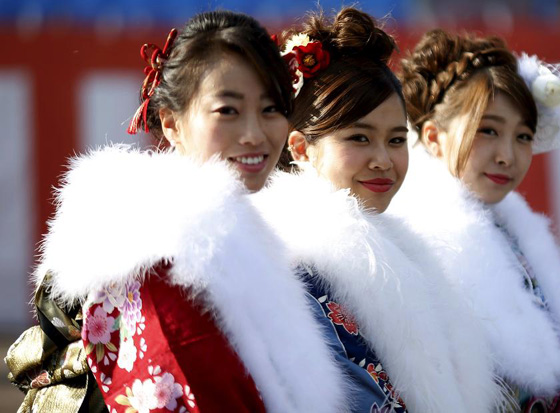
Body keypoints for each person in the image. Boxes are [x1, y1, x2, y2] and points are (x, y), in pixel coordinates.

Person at [5, 10, 347, 412]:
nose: (255, 133)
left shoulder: (247, 244)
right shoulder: (158, 259)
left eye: (271, 108)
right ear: (171, 123)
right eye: (228, 111)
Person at [252, 8, 504, 412]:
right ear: (300, 149)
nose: (383, 160)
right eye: (359, 138)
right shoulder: (298, 272)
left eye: (396, 139)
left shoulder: (403, 257)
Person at [391, 29, 560, 412]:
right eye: (488, 131)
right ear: (434, 137)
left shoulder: (518, 230)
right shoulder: (415, 240)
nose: (508, 155)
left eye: (523, 136)